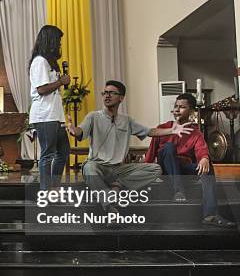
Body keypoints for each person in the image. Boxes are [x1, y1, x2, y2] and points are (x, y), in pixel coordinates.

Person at [68, 81, 192, 214]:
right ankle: (110, 205)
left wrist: (171, 131)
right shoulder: (93, 116)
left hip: (118, 170)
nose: (106, 96)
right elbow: (80, 131)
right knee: (88, 167)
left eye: (111, 93)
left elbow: (149, 131)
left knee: (155, 168)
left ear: (121, 97)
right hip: (98, 166)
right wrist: (74, 130)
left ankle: (117, 185)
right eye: (104, 93)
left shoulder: (127, 120)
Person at [145, 93, 236, 228]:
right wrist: (145, 173)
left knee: (207, 166)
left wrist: (205, 158)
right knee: (169, 147)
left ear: (191, 111)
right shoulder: (163, 128)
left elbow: (201, 150)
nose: (177, 109)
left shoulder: (195, 132)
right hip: (165, 169)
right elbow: (150, 154)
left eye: (182, 107)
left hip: (183, 168)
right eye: (176, 106)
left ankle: (210, 215)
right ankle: (179, 191)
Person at [29, 25, 71, 190]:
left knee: (63, 151)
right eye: (58, 41)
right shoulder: (40, 61)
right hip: (45, 114)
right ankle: (46, 191)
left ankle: (54, 186)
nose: (60, 44)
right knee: (47, 154)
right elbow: (41, 89)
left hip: (55, 114)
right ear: (50, 41)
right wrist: (61, 82)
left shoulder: (49, 62)